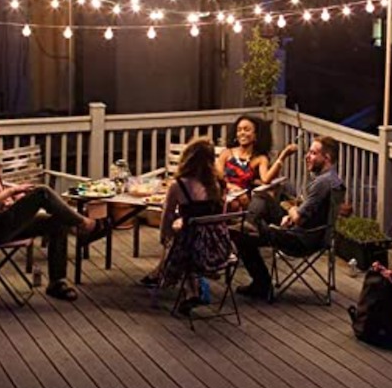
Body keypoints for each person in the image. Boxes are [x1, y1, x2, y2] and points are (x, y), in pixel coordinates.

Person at [0, 110, 105, 301]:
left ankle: (57, 282)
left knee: (57, 221)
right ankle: (85, 224)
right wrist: (11, 192)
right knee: (42, 193)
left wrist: (14, 193)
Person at [235, 135, 343, 301]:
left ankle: (262, 284)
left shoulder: (322, 183)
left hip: (300, 240)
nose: (307, 156)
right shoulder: (334, 179)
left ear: (326, 158)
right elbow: (308, 214)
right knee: (268, 195)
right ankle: (252, 225)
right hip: (313, 234)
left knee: (241, 236)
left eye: (313, 153)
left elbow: (299, 218)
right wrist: (292, 213)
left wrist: (291, 208)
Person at [140, 137, 232, 314]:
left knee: (177, 240)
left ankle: (187, 289)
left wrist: (164, 236)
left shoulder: (179, 185)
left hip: (194, 249)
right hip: (220, 246)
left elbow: (167, 215)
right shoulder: (218, 183)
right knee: (184, 234)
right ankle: (189, 287)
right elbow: (219, 215)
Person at [217, 116, 298, 209]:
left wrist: (283, 156)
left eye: (246, 130)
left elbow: (266, 179)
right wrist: (230, 187)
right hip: (224, 192)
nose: (242, 133)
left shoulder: (260, 159)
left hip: (245, 199)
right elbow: (218, 177)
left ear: (255, 135)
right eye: (239, 130)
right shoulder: (226, 153)